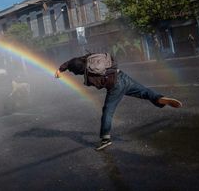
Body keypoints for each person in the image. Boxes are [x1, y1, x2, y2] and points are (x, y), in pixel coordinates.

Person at [54, 54, 182, 151]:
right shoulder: (89, 57)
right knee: (144, 92)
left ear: (79, 71)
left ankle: (105, 138)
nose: (73, 73)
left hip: (116, 86)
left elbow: (100, 85)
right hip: (122, 75)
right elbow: (73, 61)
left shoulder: (89, 76)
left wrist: (65, 71)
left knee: (108, 111)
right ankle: (160, 98)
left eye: (74, 72)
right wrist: (61, 69)